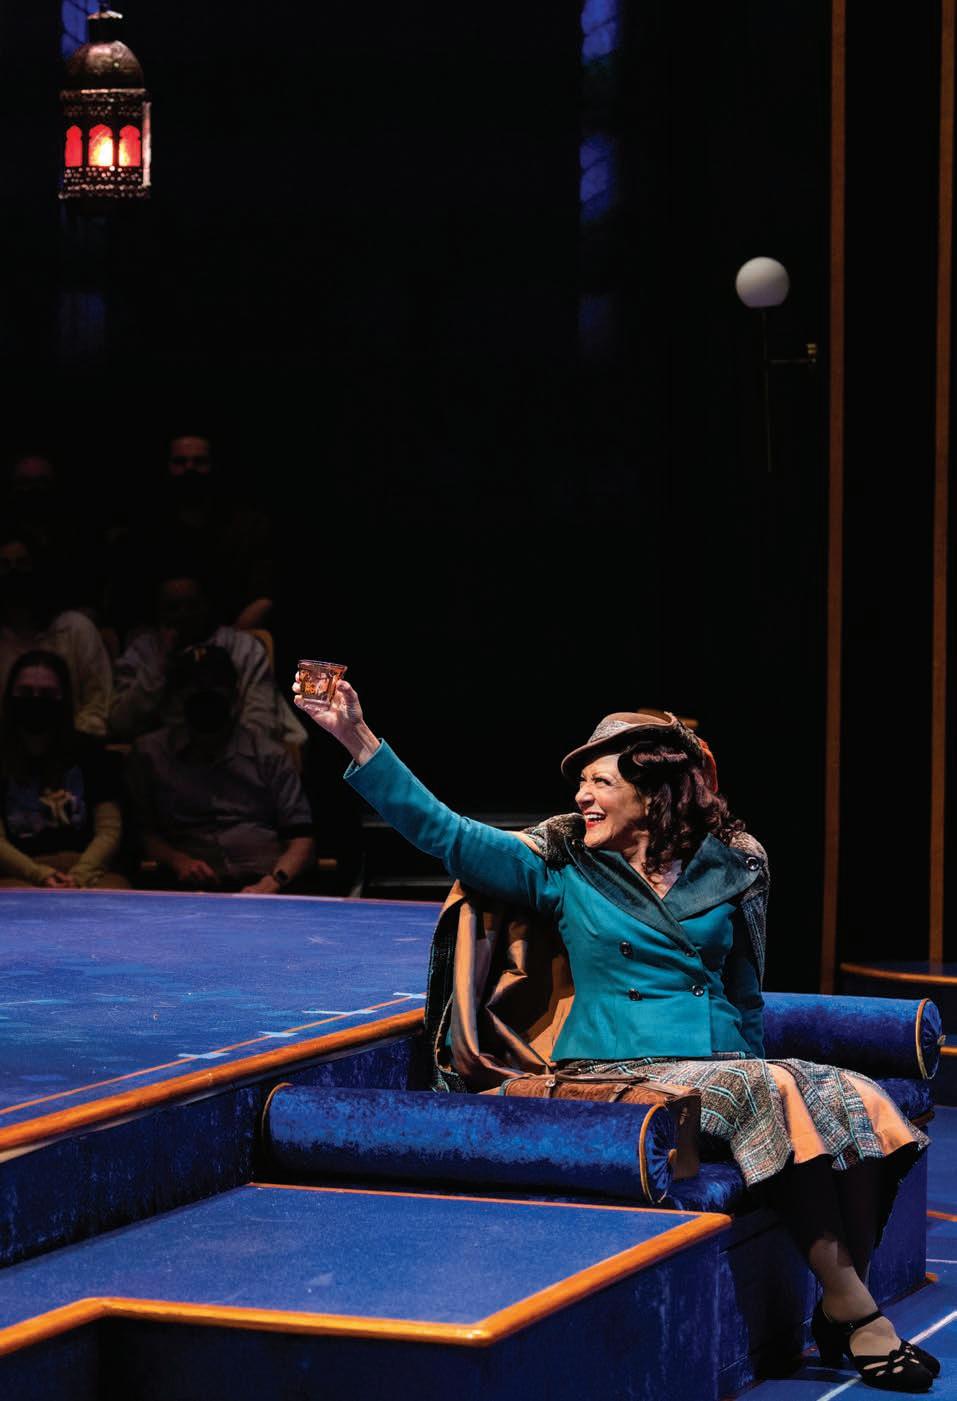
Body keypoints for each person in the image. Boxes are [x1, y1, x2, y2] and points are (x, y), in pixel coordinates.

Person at [293, 679, 937, 1394]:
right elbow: (444, 830)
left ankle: (843, 1302)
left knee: (853, 1094)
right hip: (613, 1067)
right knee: (772, 1088)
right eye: (583, 785)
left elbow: (744, 990)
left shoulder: (737, 861)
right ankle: (854, 1310)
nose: (583, 797)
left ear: (652, 794)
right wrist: (357, 738)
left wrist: (762, 1069)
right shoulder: (561, 863)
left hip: (721, 1064)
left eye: (600, 783)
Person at [127, 644, 315, 893]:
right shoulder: (151, 755)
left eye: (215, 687)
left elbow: (301, 838)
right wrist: (177, 860)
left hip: (262, 886)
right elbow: (145, 835)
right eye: (195, 688)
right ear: (178, 695)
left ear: (235, 694)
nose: (205, 697)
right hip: (185, 890)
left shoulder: (270, 756)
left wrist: (273, 882)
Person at [109, 572, 305, 754]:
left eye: (192, 606)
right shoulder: (143, 651)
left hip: (236, 759)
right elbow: (121, 724)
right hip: (166, 762)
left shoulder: (243, 648)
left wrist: (226, 758)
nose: (183, 615)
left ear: (207, 605)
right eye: (173, 608)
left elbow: (260, 720)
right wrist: (160, 666)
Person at [0, 649, 128, 888]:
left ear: (63, 698)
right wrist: (40, 874)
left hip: (88, 870)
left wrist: (79, 876)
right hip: (19, 872)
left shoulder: (92, 753)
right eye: (26, 692)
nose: (36, 700)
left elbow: (109, 831)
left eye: (47, 694)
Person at [0, 531, 112, 736]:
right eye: (5, 566)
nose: (14, 574)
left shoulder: (77, 629)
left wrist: (62, 744)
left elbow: (97, 706)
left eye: (22, 564)